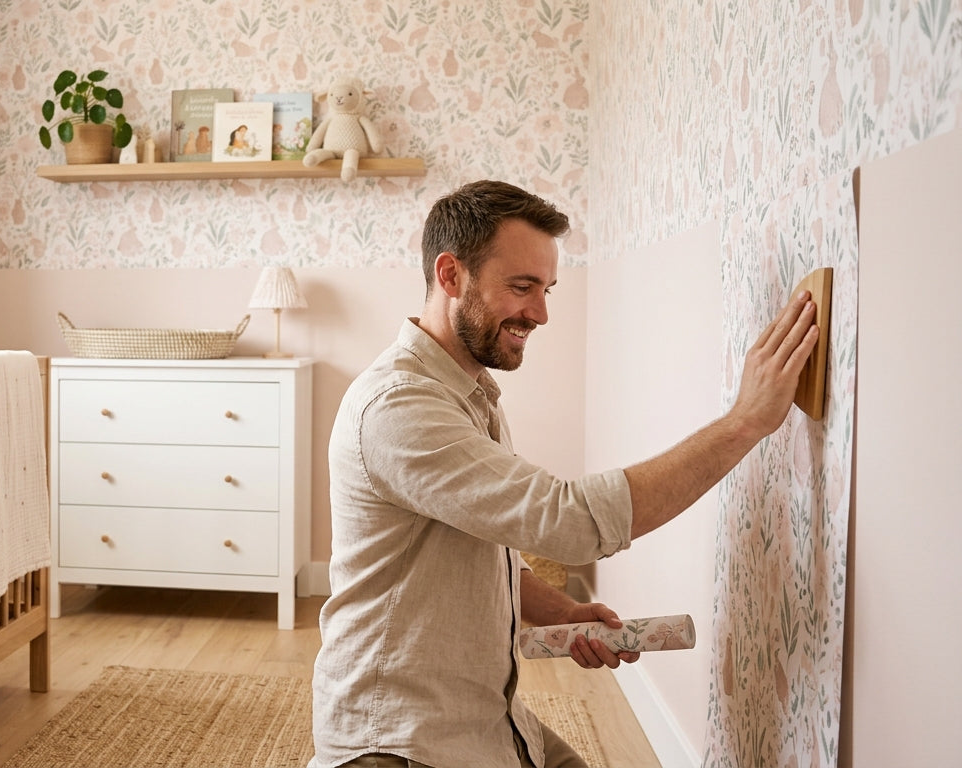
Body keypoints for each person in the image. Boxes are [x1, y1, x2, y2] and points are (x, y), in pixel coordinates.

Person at [309, 180, 819, 768]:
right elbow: (568, 521)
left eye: (546, 289)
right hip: (398, 739)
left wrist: (561, 611)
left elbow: (479, 546)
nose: (542, 313)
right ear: (451, 276)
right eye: (522, 287)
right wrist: (744, 423)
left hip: (482, 718)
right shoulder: (399, 407)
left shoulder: (470, 391)